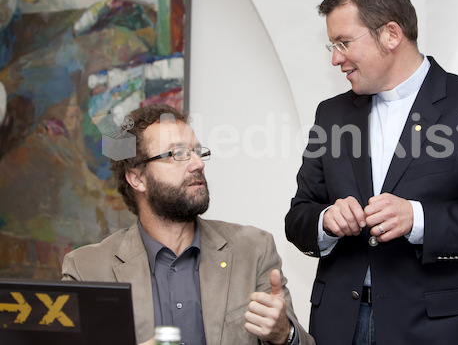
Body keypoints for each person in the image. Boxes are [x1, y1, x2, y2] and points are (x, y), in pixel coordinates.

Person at [285, 0, 458, 345]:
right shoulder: (331, 115)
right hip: (339, 325)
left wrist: (418, 218)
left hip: (438, 330)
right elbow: (299, 214)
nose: (336, 58)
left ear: (391, 35)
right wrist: (325, 221)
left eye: (344, 42)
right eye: (331, 45)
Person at [62, 103, 314, 345]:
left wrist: (284, 334)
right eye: (178, 154)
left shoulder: (254, 250)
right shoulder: (86, 271)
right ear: (137, 179)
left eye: (197, 151)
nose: (198, 163)